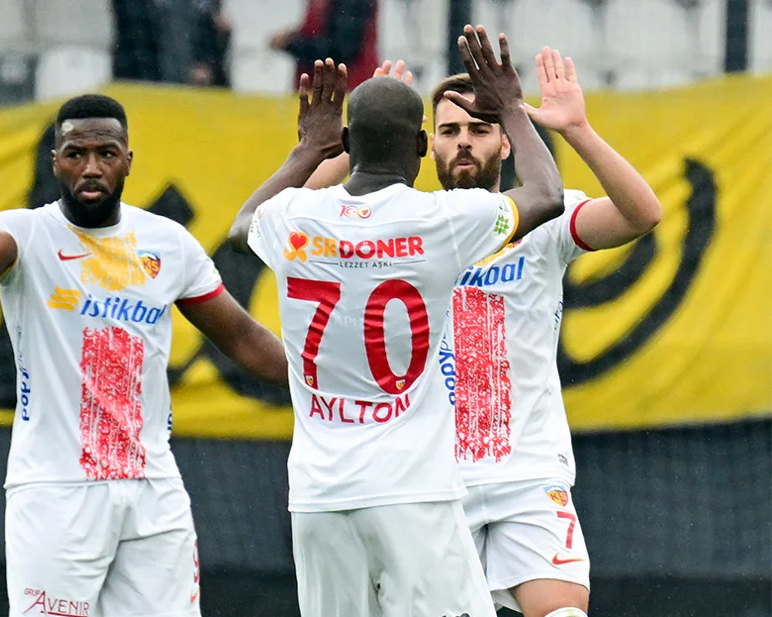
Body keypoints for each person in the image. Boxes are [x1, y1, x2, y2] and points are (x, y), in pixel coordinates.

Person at [308, 48, 663, 617]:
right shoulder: (402, 226)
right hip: (431, 482)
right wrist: (368, 133)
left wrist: (576, 129)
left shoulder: (545, 223)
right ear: (427, 146)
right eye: (450, 131)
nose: (465, 142)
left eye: (480, 128)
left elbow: (642, 215)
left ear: (506, 142)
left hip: (529, 473)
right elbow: (294, 214)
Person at [229, 25, 564, 617]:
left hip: (318, 496)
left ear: (347, 143)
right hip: (412, 490)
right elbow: (546, 194)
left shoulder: (295, 217)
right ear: (422, 146)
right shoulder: (442, 220)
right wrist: (511, 105)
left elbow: (240, 226)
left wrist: (307, 149)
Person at [0, 94, 289, 616]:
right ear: (55, 161)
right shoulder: (27, 233)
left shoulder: (167, 243)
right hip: (57, 491)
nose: (92, 168)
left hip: (153, 491)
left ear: (128, 160)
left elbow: (241, 339)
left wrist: (328, 382)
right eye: (76, 154)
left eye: (106, 153)